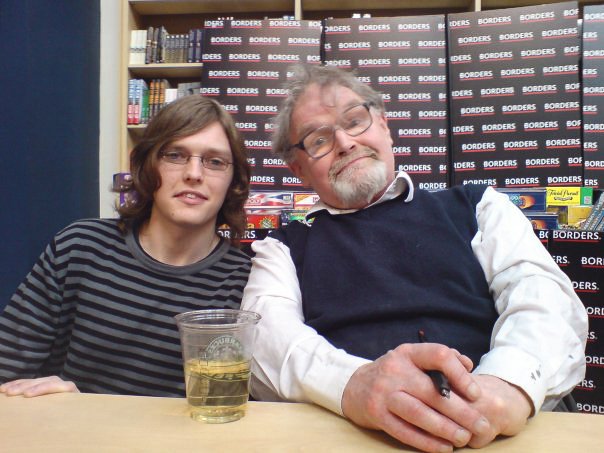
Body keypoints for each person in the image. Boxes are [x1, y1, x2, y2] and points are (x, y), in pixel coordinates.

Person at [241, 64, 588, 453]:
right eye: (318, 140)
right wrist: (355, 383)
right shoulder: (282, 248)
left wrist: (506, 385)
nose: (344, 142)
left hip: (499, 437)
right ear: (299, 169)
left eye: (354, 120)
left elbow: (544, 298)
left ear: (384, 126)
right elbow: (264, 335)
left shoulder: (479, 208)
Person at [0, 95, 251, 398]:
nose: (194, 174)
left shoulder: (246, 283)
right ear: (145, 165)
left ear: (233, 180)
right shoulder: (79, 248)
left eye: (215, 162)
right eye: (175, 155)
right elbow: (6, 372)